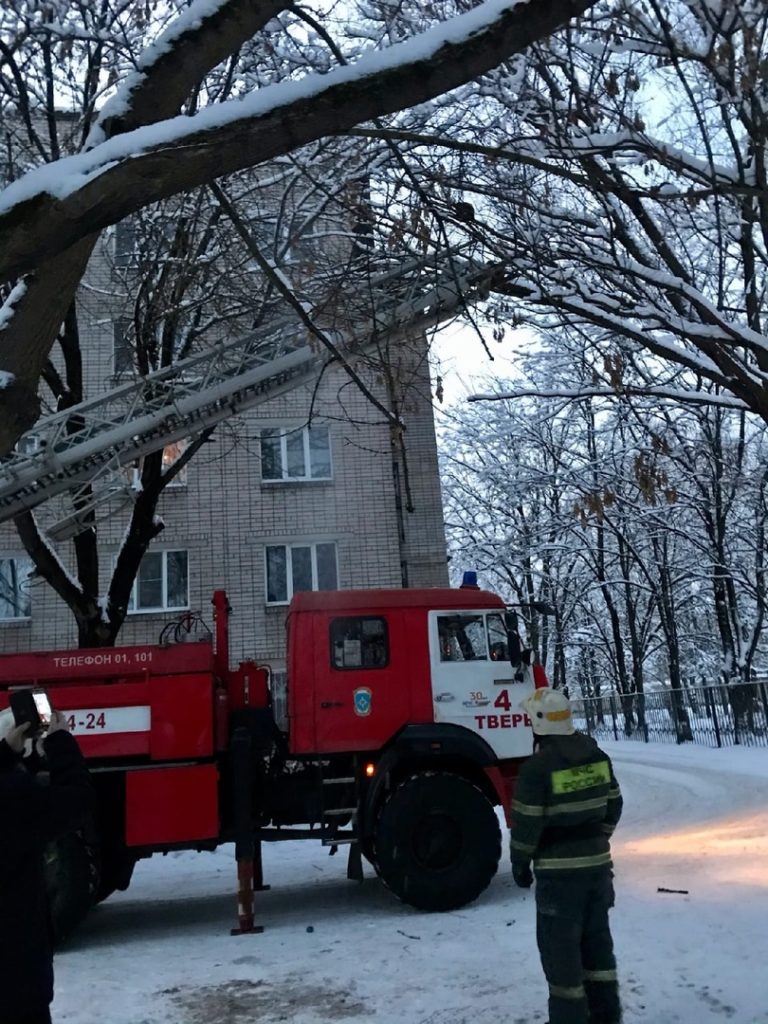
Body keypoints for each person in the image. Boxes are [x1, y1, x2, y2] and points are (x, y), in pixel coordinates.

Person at [510, 687, 623, 1024]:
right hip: (598, 873)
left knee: (561, 959)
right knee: (598, 950)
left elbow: (527, 824)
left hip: (559, 879)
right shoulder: (598, 757)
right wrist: (595, 840)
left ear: (538, 723)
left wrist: (520, 863)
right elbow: (614, 805)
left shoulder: (537, 769)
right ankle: (606, 1017)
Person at [0, 707, 93, 1024]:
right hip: (16, 983)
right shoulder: (14, 798)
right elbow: (76, 802)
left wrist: (7, 754)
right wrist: (61, 743)